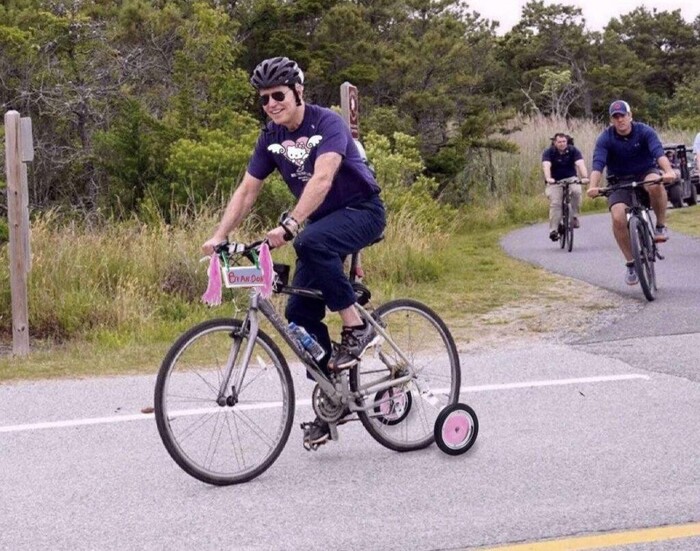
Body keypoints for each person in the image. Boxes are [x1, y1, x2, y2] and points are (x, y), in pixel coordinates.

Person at [201, 56, 386, 446]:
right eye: (264, 98)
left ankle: (357, 326)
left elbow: (323, 178)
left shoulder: (327, 123)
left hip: (362, 212)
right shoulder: (270, 137)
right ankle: (334, 397)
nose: (271, 104)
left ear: (298, 91)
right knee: (298, 316)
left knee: (308, 241)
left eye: (278, 95)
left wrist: (291, 224)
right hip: (322, 225)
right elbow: (247, 191)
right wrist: (219, 235)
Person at [586, 100, 675, 286]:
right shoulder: (605, 138)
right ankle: (631, 263)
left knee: (655, 184)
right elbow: (598, 163)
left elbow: (658, 152)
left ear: (630, 116)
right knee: (618, 217)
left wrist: (668, 171)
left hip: (645, 172)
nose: (620, 120)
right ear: (611, 120)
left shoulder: (644, 131)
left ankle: (660, 225)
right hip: (619, 180)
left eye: (623, 115)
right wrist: (593, 186)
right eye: (616, 117)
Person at [541, 133, 590, 241]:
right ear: (555, 142)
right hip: (555, 181)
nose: (562, 144)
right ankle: (554, 230)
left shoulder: (573, 150)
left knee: (576, 192)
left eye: (564, 141)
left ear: (567, 142)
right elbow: (546, 166)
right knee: (556, 203)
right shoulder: (549, 152)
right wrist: (548, 178)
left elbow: (580, 164)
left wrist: (585, 177)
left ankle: (574, 216)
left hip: (571, 178)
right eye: (559, 142)